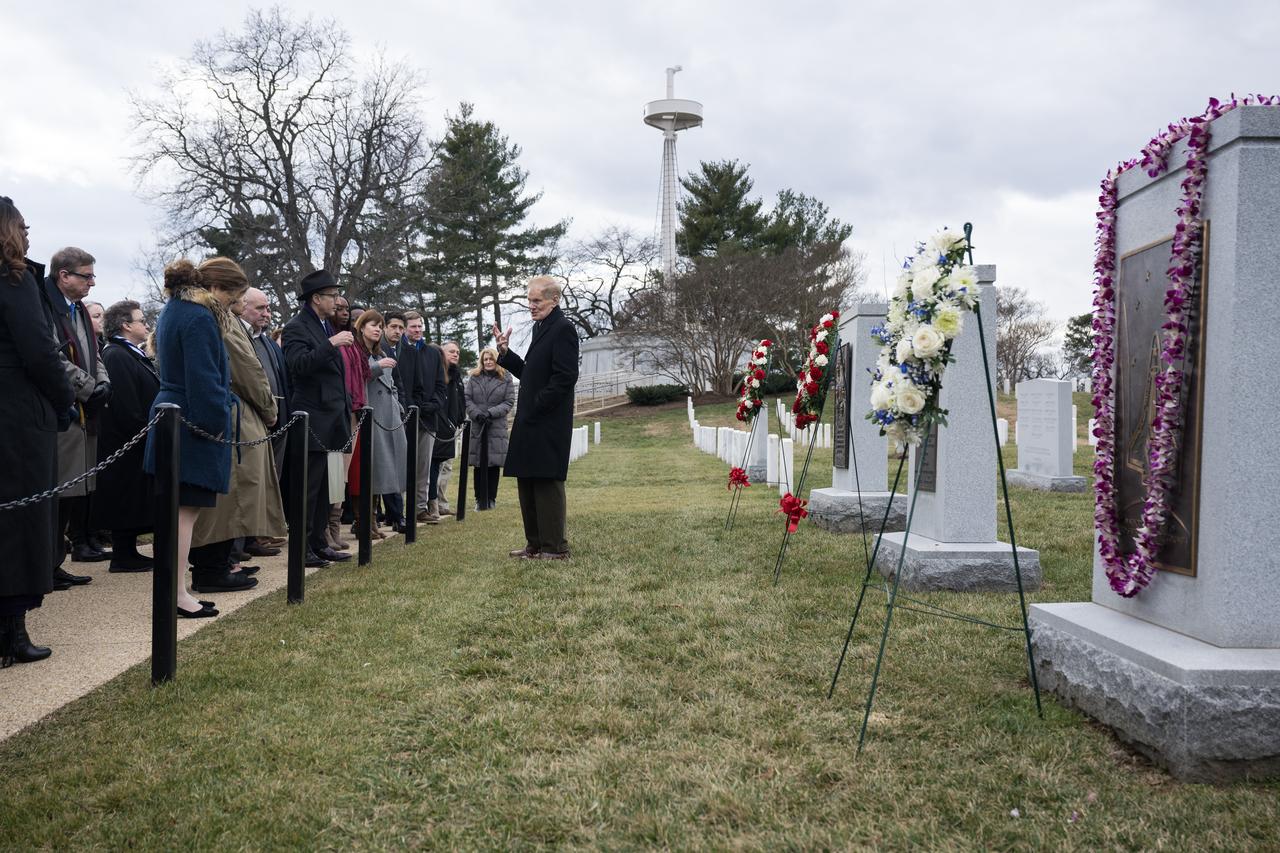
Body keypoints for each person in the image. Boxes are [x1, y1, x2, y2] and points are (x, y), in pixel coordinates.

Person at [0, 197, 75, 666]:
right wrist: (64, 400)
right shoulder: (15, 278)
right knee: (19, 522)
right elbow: (39, 351)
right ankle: (11, 630)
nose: (28, 235)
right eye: (23, 227)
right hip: (16, 417)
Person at [142, 259, 235, 618]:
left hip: (175, 413)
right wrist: (216, 423)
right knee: (182, 513)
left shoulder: (174, 310)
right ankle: (176, 594)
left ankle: (174, 591)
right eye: (232, 296)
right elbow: (203, 377)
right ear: (215, 290)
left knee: (178, 512)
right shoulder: (197, 317)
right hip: (189, 419)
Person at [188, 265, 287, 592]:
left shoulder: (195, 313)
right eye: (238, 293)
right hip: (233, 419)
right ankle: (213, 569)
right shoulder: (220, 319)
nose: (241, 301)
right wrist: (270, 409)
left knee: (230, 496)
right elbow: (248, 370)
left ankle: (222, 562)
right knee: (229, 496)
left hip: (223, 416)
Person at [493, 276, 579, 559]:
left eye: (536, 301)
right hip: (531, 418)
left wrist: (539, 404)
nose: (531, 306)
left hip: (548, 420)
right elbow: (531, 372)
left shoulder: (563, 329)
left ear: (554, 300)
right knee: (527, 480)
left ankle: (554, 547)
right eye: (529, 300)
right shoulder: (541, 328)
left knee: (546, 482)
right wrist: (505, 354)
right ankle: (535, 544)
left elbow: (565, 377)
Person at [40, 246, 112, 582]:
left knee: (72, 493)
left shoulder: (79, 310)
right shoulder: (45, 305)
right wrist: (87, 387)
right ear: (63, 275)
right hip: (62, 410)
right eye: (86, 276)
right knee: (56, 494)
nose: (92, 283)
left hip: (85, 411)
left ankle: (55, 564)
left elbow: (94, 352)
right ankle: (46, 565)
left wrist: (103, 382)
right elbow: (51, 357)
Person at [282, 270, 353, 567]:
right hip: (312, 416)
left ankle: (319, 542)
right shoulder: (297, 327)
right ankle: (303, 547)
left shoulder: (324, 325)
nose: (337, 301)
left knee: (327, 486)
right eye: (332, 295)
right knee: (309, 487)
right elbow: (297, 365)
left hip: (332, 416)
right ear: (316, 298)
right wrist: (331, 344)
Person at [91, 301, 160, 572]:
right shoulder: (117, 355)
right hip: (126, 439)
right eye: (141, 320)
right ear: (126, 325)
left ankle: (128, 551)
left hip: (137, 437)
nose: (146, 325)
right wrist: (143, 428)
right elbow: (125, 402)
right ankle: (123, 554)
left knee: (134, 497)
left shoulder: (131, 353)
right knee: (125, 497)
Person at [350, 310, 407, 535]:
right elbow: (355, 377)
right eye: (372, 325)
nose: (376, 329)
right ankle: (363, 522)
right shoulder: (355, 351)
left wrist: (399, 407)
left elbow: (391, 385)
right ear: (361, 327)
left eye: (378, 325)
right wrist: (378, 366)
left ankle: (372, 521)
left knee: (379, 471)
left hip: (387, 417)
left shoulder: (379, 351)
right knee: (365, 473)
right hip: (367, 417)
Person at [241, 288, 290, 538]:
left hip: (277, 417)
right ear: (242, 305)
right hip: (252, 418)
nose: (266, 313)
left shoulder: (267, 340)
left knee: (273, 478)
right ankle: (251, 536)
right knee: (253, 480)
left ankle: (264, 531)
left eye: (268, 308)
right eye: (260, 308)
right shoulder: (241, 336)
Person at [404, 311, 446, 522]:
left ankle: (420, 508)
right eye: (413, 326)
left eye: (420, 326)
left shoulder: (432, 353)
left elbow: (440, 385)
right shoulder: (399, 351)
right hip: (405, 416)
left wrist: (432, 405)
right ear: (404, 328)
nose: (418, 330)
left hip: (428, 418)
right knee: (401, 464)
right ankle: (394, 511)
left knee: (423, 466)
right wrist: (414, 405)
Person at [465, 347, 516, 510]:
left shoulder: (506, 377)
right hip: (478, 424)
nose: (488, 362)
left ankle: (491, 498)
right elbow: (467, 399)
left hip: (496, 425)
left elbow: (509, 401)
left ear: (496, 360)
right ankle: (479, 499)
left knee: (493, 464)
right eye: (485, 359)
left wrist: (491, 413)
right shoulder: (474, 377)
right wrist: (477, 414)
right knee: (479, 464)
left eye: (491, 359)